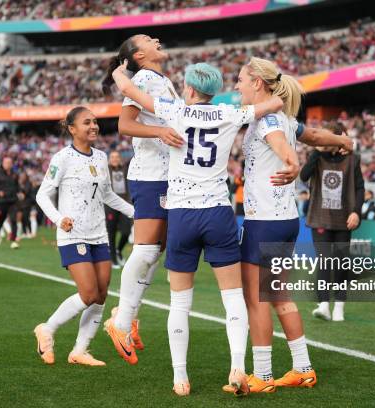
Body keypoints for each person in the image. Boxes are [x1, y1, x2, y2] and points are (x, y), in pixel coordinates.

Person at [112, 59, 283, 396]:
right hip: (218, 211)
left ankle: (180, 378)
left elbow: (131, 92)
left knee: (180, 303)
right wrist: (275, 85)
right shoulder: (229, 114)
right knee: (233, 299)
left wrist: (120, 70)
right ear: (214, 91)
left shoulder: (174, 109)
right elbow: (275, 102)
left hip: (182, 214)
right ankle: (238, 368)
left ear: (189, 89)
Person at [234, 57, 354, 392]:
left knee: (256, 299)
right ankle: (302, 368)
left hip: (263, 222)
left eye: (241, 79)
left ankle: (262, 375)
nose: (237, 85)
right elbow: (313, 135)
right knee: (279, 294)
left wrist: (292, 162)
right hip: (286, 220)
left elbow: (287, 150)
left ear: (258, 82)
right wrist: (343, 141)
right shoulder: (285, 117)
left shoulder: (267, 119)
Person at [101, 34, 183, 365]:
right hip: (151, 175)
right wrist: (160, 132)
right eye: (150, 39)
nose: (159, 39)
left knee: (155, 251)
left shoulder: (159, 78)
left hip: (165, 175)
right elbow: (125, 124)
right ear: (139, 54)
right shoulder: (146, 78)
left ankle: (129, 316)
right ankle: (119, 322)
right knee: (147, 249)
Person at [34, 106, 134, 367]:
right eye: (87, 122)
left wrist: (134, 212)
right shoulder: (62, 158)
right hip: (73, 234)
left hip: (99, 233)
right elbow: (42, 194)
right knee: (88, 292)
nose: (94, 126)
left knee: (101, 295)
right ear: (72, 128)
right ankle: (47, 329)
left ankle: (80, 350)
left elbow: (108, 195)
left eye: (95, 122)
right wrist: (59, 219)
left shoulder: (101, 157)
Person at [301, 122, 364, 322]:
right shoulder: (317, 157)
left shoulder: (353, 160)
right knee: (325, 261)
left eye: (327, 137)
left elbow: (360, 188)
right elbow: (303, 176)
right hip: (320, 217)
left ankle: (339, 306)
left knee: (341, 263)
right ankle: (323, 305)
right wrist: (317, 151)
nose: (323, 140)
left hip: (344, 219)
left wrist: (356, 212)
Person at [105, 150, 132, 269]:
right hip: (110, 206)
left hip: (124, 205)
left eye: (117, 157)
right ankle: (113, 259)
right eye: (112, 157)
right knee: (111, 233)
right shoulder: (105, 171)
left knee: (126, 232)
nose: (115, 159)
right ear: (109, 159)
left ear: (120, 159)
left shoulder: (126, 169)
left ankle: (118, 250)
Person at [0, 156, 20, 249]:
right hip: (2, 201)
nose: (8, 164)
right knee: (1, 220)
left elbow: (17, 186)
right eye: (6, 162)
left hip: (13, 201)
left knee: (14, 220)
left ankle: (14, 240)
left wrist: (20, 192)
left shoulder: (15, 174)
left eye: (10, 163)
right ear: (3, 163)